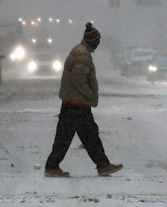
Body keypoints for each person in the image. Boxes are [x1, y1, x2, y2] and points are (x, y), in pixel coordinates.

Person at [43, 23, 122, 179]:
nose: (98, 44)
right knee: (72, 138)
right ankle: (52, 167)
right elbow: (79, 80)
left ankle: (102, 165)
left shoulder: (80, 51)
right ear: (91, 41)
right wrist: (90, 95)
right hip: (76, 104)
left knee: (87, 136)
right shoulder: (83, 55)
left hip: (74, 103)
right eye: (97, 41)